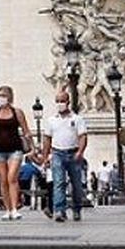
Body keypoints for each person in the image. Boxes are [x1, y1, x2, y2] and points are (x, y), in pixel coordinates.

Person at [0, 85, 33, 220]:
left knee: (12, 177)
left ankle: (15, 208)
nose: (1, 98)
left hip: (15, 149)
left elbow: (26, 130)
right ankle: (8, 209)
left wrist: (32, 147)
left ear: (10, 97)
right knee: (3, 180)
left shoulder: (17, 112)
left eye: (4, 95)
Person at [41, 90, 87, 223]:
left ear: (68, 102)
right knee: (59, 182)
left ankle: (77, 209)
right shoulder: (51, 120)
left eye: (62, 101)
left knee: (76, 184)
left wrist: (80, 152)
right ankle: (59, 210)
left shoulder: (77, 119)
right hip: (57, 153)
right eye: (57, 101)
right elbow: (47, 139)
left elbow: (83, 136)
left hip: (73, 153)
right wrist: (45, 157)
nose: (60, 104)